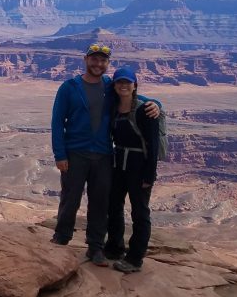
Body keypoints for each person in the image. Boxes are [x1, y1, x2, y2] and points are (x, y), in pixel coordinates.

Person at [49, 44, 158, 265]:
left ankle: (95, 246)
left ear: (107, 64)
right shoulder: (69, 87)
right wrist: (60, 154)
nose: (98, 64)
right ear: (85, 60)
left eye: (103, 61)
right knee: (70, 198)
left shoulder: (110, 86)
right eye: (94, 59)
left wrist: (156, 104)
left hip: (103, 155)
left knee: (100, 202)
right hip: (75, 152)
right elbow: (57, 122)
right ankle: (62, 237)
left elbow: (137, 97)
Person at [105, 66, 160, 273]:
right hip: (119, 164)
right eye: (119, 82)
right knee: (114, 206)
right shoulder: (113, 107)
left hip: (139, 166)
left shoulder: (146, 111)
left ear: (134, 85)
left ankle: (135, 258)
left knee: (140, 212)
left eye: (127, 82)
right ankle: (114, 247)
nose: (123, 85)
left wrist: (150, 175)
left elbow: (153, 146)